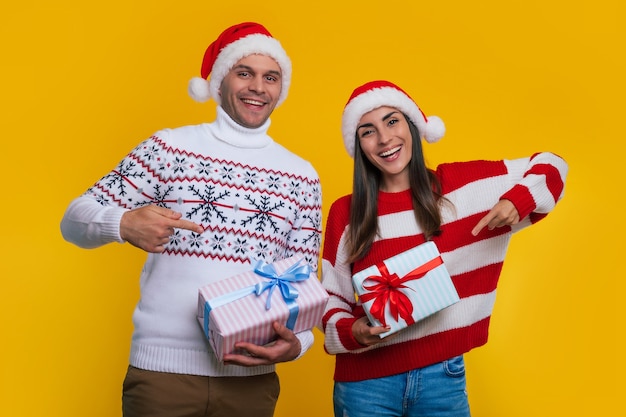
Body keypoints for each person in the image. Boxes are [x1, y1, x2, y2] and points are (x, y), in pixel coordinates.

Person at [60, 22, 322, 417]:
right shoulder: (169, 148)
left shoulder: (302, 176)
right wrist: (125, 223)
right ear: (220, 80)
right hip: (163, 375)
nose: (258, 87)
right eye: (244, 72)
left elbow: (304, 286)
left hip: (252, 383)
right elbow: (73, 220)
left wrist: (298, 344)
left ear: (280, 89)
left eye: (271, 77)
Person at [320, 80, 568, 417]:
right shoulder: (345, 213)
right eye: (368, 131)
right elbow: (329, 300)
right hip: (365, 387)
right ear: (359, 145)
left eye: (392, 121)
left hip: (443, 378)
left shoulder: (463, 189)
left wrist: (518, 199)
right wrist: (353, 332)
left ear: (412, 125)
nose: (384, 138)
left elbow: (554, 166)